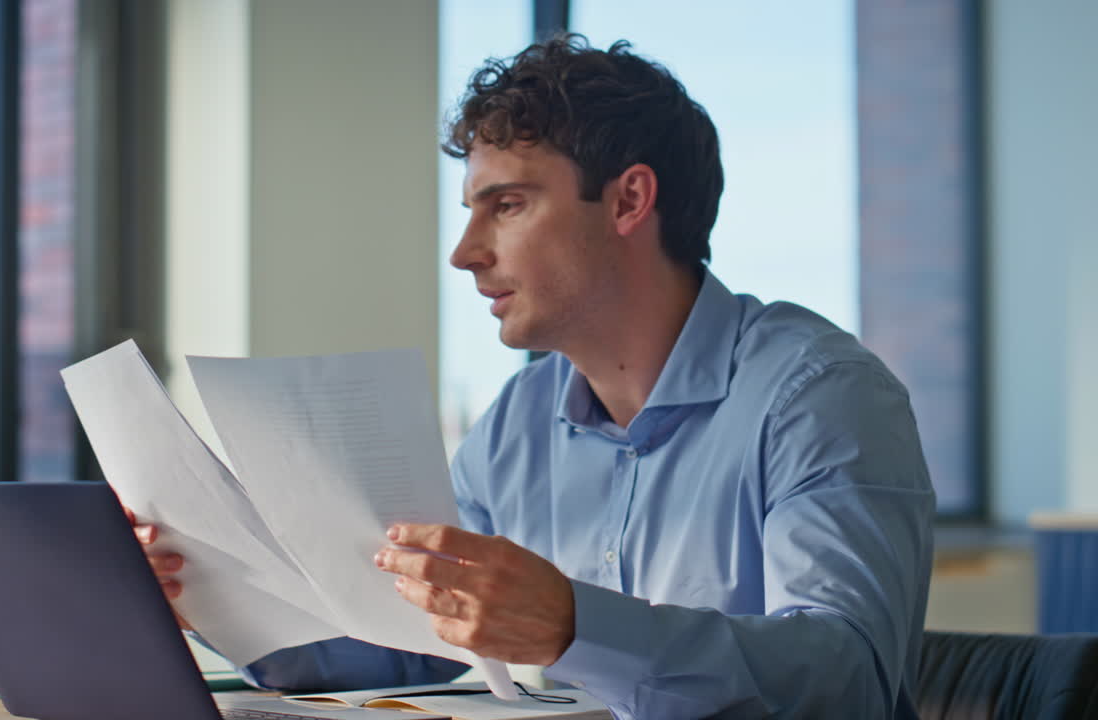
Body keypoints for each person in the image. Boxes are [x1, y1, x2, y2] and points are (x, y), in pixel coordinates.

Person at [135, 34, 934, 719]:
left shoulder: (822, 396)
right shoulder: (521, 417)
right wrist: (209, 601)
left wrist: (573, 623)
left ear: (628, 200)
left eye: (507, 205)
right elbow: (412, 640)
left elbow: (848, 676)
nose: (466, 252)